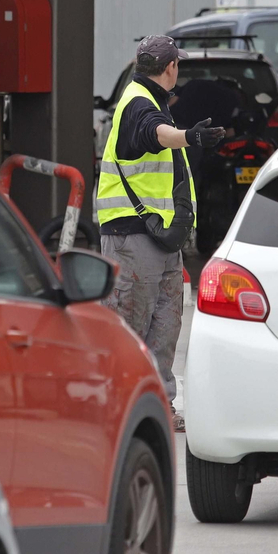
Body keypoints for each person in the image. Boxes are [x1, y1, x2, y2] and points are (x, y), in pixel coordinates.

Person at [96, 35, 225, 428]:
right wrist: (190, 137)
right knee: (132, 328)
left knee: (165, 324)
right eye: (178, 65)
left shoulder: (152, 101)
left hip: (159, 236)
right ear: (170, 67)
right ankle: (121, 409)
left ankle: (158, 407)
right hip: (133, 236)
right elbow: (155, 134)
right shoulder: (138, 102)